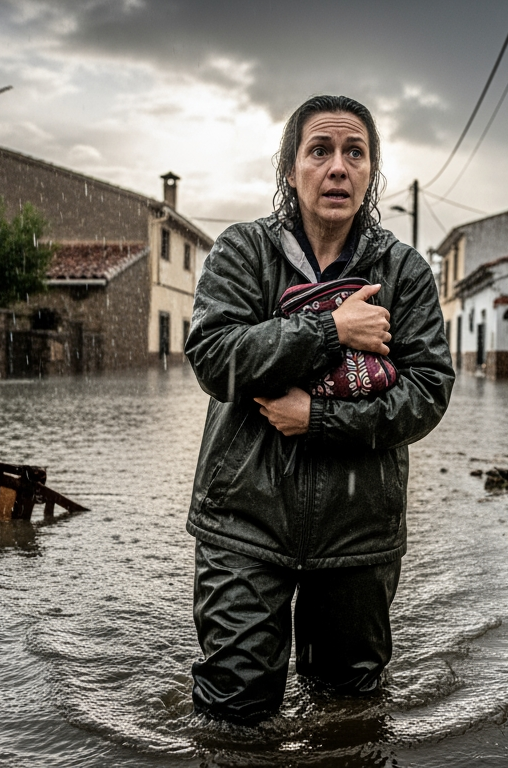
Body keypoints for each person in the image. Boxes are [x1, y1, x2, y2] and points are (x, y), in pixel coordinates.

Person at [183, 94, 454, 725]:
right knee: (235, 709)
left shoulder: (403, 272)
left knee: (347, 711)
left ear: (370, 173)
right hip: (243, 521)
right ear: (290, 171)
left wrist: (321, 420)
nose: (338, 167)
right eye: (320, 151)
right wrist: (331, 331)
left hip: (358, 533)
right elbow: (213, 357)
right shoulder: (243, 253)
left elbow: (429, 391)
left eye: (354, 153)